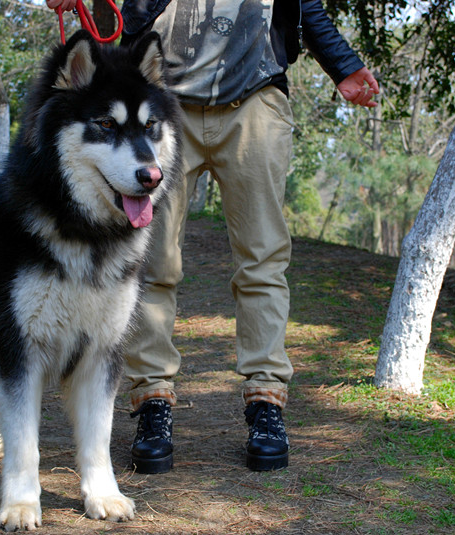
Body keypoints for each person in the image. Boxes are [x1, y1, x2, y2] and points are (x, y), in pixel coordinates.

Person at [47, 0, 379, 474]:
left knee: (263, 259)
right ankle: (152, 401)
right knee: (152, 263)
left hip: (255, 101)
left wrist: (343, 65)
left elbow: (306, 4)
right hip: (162, 108)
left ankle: (266, 402)